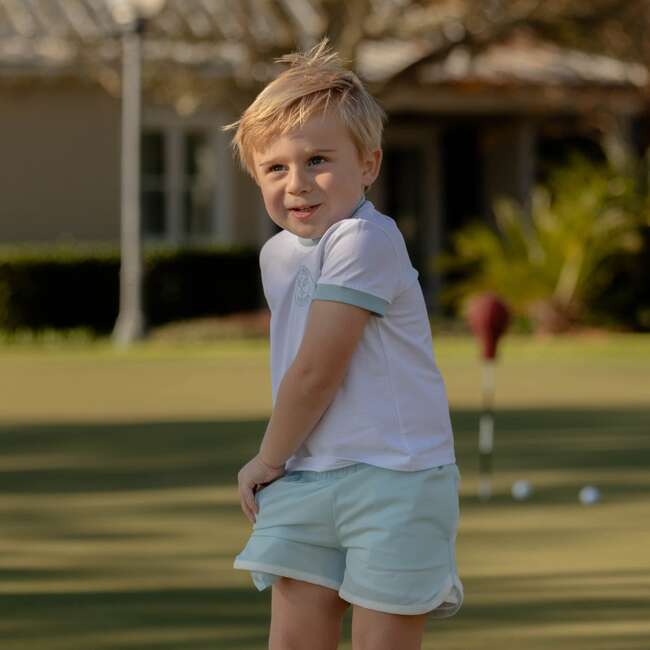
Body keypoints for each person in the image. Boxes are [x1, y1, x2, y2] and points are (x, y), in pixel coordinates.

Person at [226, 39, 463, 650]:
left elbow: (316, 372)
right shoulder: (277, 255)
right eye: (275, 168)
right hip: (307, 477)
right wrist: (287, 465)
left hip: (394, 481)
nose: (297, 184)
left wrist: (267, 459)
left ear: (369, 164)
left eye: (318, 160)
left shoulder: (364, 241)